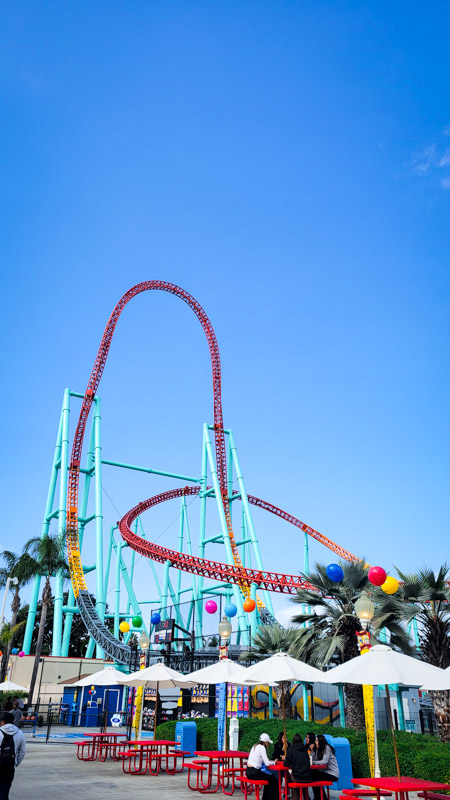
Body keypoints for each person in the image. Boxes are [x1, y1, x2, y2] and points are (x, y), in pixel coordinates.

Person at [0, 711, 26, 799]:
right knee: (4, 791)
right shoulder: (20, 733)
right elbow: (22, 752)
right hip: (9, 766)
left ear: (2, 722)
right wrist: (15, 763)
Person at [246, 733, 278, 800]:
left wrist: (270, 762)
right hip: (254, 772)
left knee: (269, 778)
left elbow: (262, 760)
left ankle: (265, 798)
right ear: (265, 742)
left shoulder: (255, 746)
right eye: (268, 742)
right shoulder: (262, 747)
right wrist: (274, 763)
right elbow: (267, 763)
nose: (268, 744)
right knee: (273, 779)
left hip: (248, 771)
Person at [310, 734, 339, 800]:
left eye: (317, 740)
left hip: (332, 773)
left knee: (314, 777)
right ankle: (319, 797)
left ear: (321, 741)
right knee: (312, 776)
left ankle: (320, 798)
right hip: (325, 772)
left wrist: (313, 762)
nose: (315, 742)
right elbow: (314, 759)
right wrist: (312, 751)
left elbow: (324, 761)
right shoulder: (318, 749)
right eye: (315, 740)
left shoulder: (327, 748)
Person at [284, 733, 311, 800]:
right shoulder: (305, 748)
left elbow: (286, 763)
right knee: (300, 781)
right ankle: (306, 797)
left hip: (297, 777)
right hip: (307, 777)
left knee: (291, 778)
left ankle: (294, 797)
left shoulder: (291, 749)